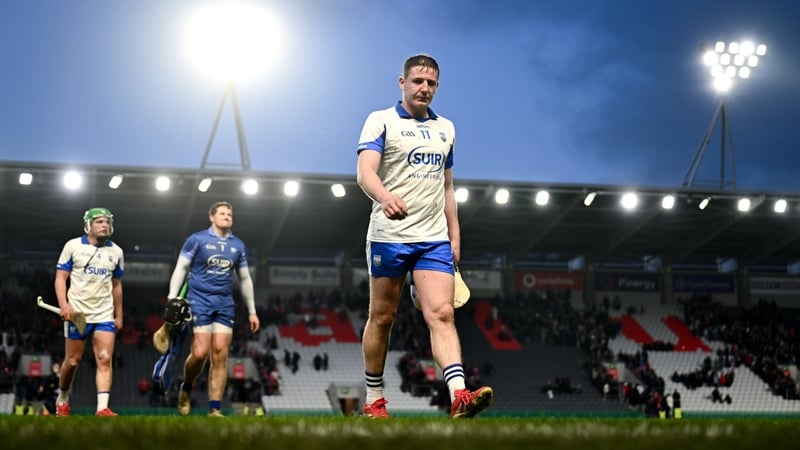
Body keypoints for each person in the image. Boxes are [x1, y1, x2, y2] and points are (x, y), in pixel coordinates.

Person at [355, 54, 493, 419]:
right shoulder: (380, 120)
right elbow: (364, 172)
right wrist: (384, 197)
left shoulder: (446, 128)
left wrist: (455, 233)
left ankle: (460, 396)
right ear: (402, 82)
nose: (424, 88)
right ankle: (374, 400)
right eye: (417, 81)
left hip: (433, 239)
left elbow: (448, 187)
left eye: (431, 83)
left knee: (442, 314)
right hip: (389, 236)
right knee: (382, 317)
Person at [167, 201, 259, 417]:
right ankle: (186, 387)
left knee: (221, 354)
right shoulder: (197, 239)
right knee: (199, 354)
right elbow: (181, 268)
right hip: (199, 300)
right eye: (223, 213)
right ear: (212, 217)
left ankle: (214, 409)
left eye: (230, 213)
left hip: (225, 303)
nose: (227, 216)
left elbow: (245, 279)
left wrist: (252, 310)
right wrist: (172, 298)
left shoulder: (238, 245)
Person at [54, 207, 124, 416]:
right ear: (88, 225)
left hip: (104, 314)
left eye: (107, 222)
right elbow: (60, 278)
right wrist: (64, 305)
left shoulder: (117, 252)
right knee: (73, 361)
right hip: (78, 313)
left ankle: (102, 408)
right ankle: (63, 399)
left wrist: (118, 314)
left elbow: (117, 285)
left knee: (104, 358)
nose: (104, 225)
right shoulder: (73, 246)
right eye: (99, 221)